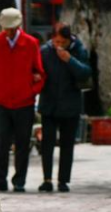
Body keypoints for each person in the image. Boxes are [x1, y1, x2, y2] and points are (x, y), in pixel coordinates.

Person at [0, 7, 44, 192]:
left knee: (23, 143)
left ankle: (19, 180)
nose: (9, 31)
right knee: (1, 142)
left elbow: (39, 72)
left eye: (12, 28)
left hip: (24, 102)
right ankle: (0, 180)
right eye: (6, 28)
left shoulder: (31, 43)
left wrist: (31, 91)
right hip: (1, 101)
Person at [37, 24, 91, 192]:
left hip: (70, 105)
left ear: (69, 40)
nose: (58, 44)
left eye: (62, 41)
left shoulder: (79, 49)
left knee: (67, 145)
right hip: (49, 106)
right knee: (47, 144)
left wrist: (69, 60)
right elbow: (36, 70)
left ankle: (63, 180)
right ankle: (47, 179)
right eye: (56, 40)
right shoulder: (45, 51)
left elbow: (86, 72)